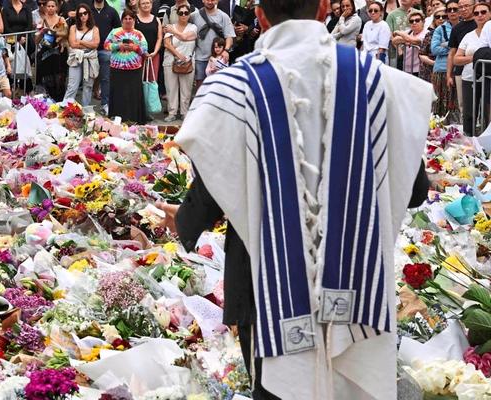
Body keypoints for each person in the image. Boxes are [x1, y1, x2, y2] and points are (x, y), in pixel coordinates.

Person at [160, 0, 432, 398]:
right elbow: (415, 189)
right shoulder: (377, 80)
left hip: (261, 283)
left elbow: (217, 177)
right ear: (324, 9)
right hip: (356, 281)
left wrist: (185, 221)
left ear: (260, 16)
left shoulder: (236, 86)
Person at [105, 9, 147, 124]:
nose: (128, 21)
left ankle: (134, 118)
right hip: (117, 69)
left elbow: (145, 50)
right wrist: (118, 46)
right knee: (118, 94)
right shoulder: (114, 32)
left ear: (134, 20)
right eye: (125, 19)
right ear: (122, 20)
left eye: (130, 19)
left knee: (133, 94)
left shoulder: (139, 34)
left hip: (134, 70)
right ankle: (117, 118)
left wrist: (135, 48)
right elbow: (106, 45)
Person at [456, 2, 489, 135]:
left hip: (488, 79)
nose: (480, 15)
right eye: (476, 13)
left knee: (488, 115)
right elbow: (456, 59)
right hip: (469, 78)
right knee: (469, 114)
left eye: (483, 12)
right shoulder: (468, 36)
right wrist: (474, 58)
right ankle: (468, 143)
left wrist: (474, 56)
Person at [162, 3, 195, 122]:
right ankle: (172, 113)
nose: (183, 15)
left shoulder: (193, 27)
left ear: (189, 14)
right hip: (171, 60)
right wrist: (178, 55)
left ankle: (184, 113)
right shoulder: (170, 26)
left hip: (188, 62)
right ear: (177, 14)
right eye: (181, 13)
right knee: (171, 89)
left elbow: (186, 37)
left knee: (186, 89)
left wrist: (174, 32)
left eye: (186, 13)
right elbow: (166, 44)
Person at [190, 0, 234, 88]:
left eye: (213, 0)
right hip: (200, 57)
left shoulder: (224, 16)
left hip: (218, 58)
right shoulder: (194, 16)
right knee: (200, 86)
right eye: (207, 0)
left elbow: (229, 36)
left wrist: (226, 50)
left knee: (217, 86)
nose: (210, 2)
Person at [63, 3, 98, 105]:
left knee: (88, 86)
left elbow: (95, 44)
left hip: (90, 58)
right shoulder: (73, 27)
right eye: (80, 14)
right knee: (72, 85)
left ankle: (85, 110)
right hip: (76, 57)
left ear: (89, 14)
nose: (83, 16)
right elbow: (73, 44)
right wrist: (88, 44)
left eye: (85, 13)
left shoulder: (95, 29)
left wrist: (81, 42)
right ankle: (66, 108)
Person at [431, 0, 460, 122]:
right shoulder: (440, 29)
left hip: (459, 70)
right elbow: (434, 49)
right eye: (449, 10)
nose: (452, 12)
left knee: (457, 104)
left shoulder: (465, 26)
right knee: (439, 106)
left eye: (455, 9)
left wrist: (446, 45)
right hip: (441, 70)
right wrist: (453, 47)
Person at [34, 0, 67, 101]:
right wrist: (41, 33)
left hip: (59, 53)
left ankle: (59, 102)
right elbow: (36, 40)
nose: (50, 8)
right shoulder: (42, 21)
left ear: (56, 7)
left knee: (59, 80)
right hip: (46, 54)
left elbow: (66, 33)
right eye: (48, 6)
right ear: (45, 7)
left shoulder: (61, 19)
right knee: (47, 80)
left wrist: (53, 33)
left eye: (53, 6)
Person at [90, 0, 118, 114]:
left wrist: (112, 44)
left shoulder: (111, 11)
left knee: (106, 79)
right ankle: (84, 106)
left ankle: (105, 104)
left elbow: (117, 29)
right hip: (89, 49)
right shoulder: (87, 10)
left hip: (105, 50)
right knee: (87, 80)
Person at [447, 0, 475, 112]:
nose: (463, 9)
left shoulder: (484, 24)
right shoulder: (456, 28)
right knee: (463, 105)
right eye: (461, 7)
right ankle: (465, 129)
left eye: (467, 6)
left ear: (474, 6)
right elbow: (452, 53)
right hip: (460, 71)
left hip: (482, 71)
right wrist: (449, 75)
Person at [135, 0, 161, 99]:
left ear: (151, 4)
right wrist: (142, 52)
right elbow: (133, 37)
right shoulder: (135, 19)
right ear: (139, 5)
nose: (146, 5)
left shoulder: (156, 20)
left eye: (148, 3)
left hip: (153, 56)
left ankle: (149, 108)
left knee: (151, 82)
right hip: (138, 56)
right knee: (138, 81)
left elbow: (159, 38)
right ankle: (138, 108)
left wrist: (155, 52)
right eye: (143, 3)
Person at [393, 8, 426, 76]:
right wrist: (407, 39)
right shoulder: (408, 32)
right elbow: (395, 40)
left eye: (417, 20)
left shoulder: (426, 33)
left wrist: (399, 32)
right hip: (406, 68)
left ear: (423, 22)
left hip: (420, 69)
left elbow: (415, 41)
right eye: (411, 21)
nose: (414, 23)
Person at [418, 6, 444, 82]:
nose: (441, 19)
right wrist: (435, 63)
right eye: (437, 17)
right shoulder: (429, 34)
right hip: (429, 71)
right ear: (434, 20)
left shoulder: (453, 33)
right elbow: (422, 54)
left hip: (447, 71)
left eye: (444, 16)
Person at [386, 0, 414, 67]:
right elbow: (389, 34)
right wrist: (399, 50)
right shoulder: (392, 15)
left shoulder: (417, 13)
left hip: (413, 53)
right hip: (395, 54)